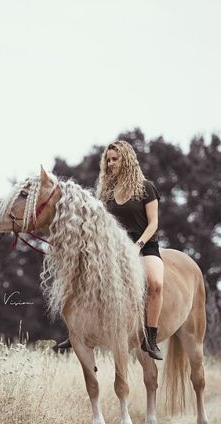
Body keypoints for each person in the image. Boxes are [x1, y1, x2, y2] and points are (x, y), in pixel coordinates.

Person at [56, 140, 163, 359]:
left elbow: (153, 224)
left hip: (143, 246)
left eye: (116, 159)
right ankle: (75, 331)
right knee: (81, 275)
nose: (111, 163)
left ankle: (151, 339)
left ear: (127, 160)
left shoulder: (146, 188)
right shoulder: (105, 191)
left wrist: (137, 246)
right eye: (108, 160)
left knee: (155, 283)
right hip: (113, 248)